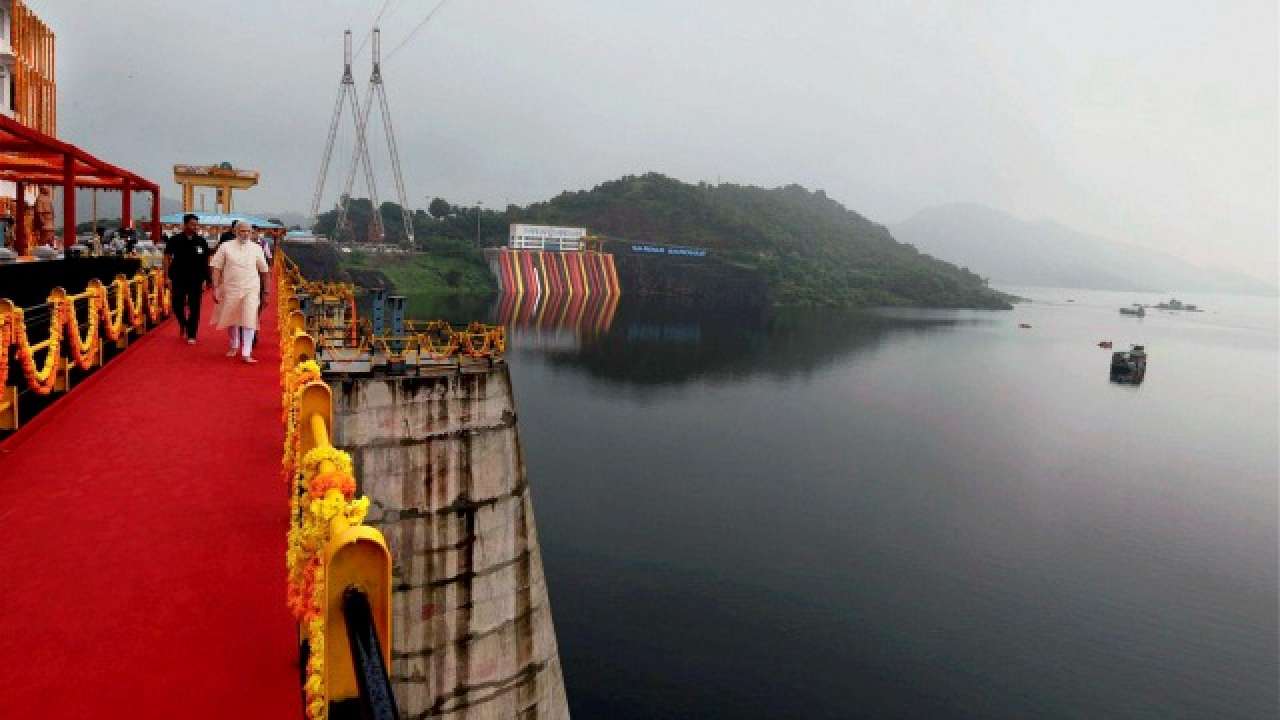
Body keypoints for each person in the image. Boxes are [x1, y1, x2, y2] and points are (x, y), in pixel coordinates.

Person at [210, 220, 270, 363]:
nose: (246, 234)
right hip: (230, 288)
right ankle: (234, 344)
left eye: (248, 231)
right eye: (242, 231)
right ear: (236, 232)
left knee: (250, 319)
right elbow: (216, 268)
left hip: (251, 288)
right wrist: (216, 287)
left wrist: (266, 292)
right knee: (232, 319)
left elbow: (265, 271)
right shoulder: (225, 247)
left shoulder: (257, 248)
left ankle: (246, 352)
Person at [163, 213, 210, 344]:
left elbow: (205, 261)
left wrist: (206, 279)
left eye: (196, 224)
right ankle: (184, 323)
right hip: (178, 277)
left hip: (196, 279)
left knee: (195, 307)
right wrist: (167, 277)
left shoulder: (201, 241)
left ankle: (192, 334)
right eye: (192, 224)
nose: (195, 227)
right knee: (177, 305)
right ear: (185, 225)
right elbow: (166, 257)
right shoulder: (174, 240)